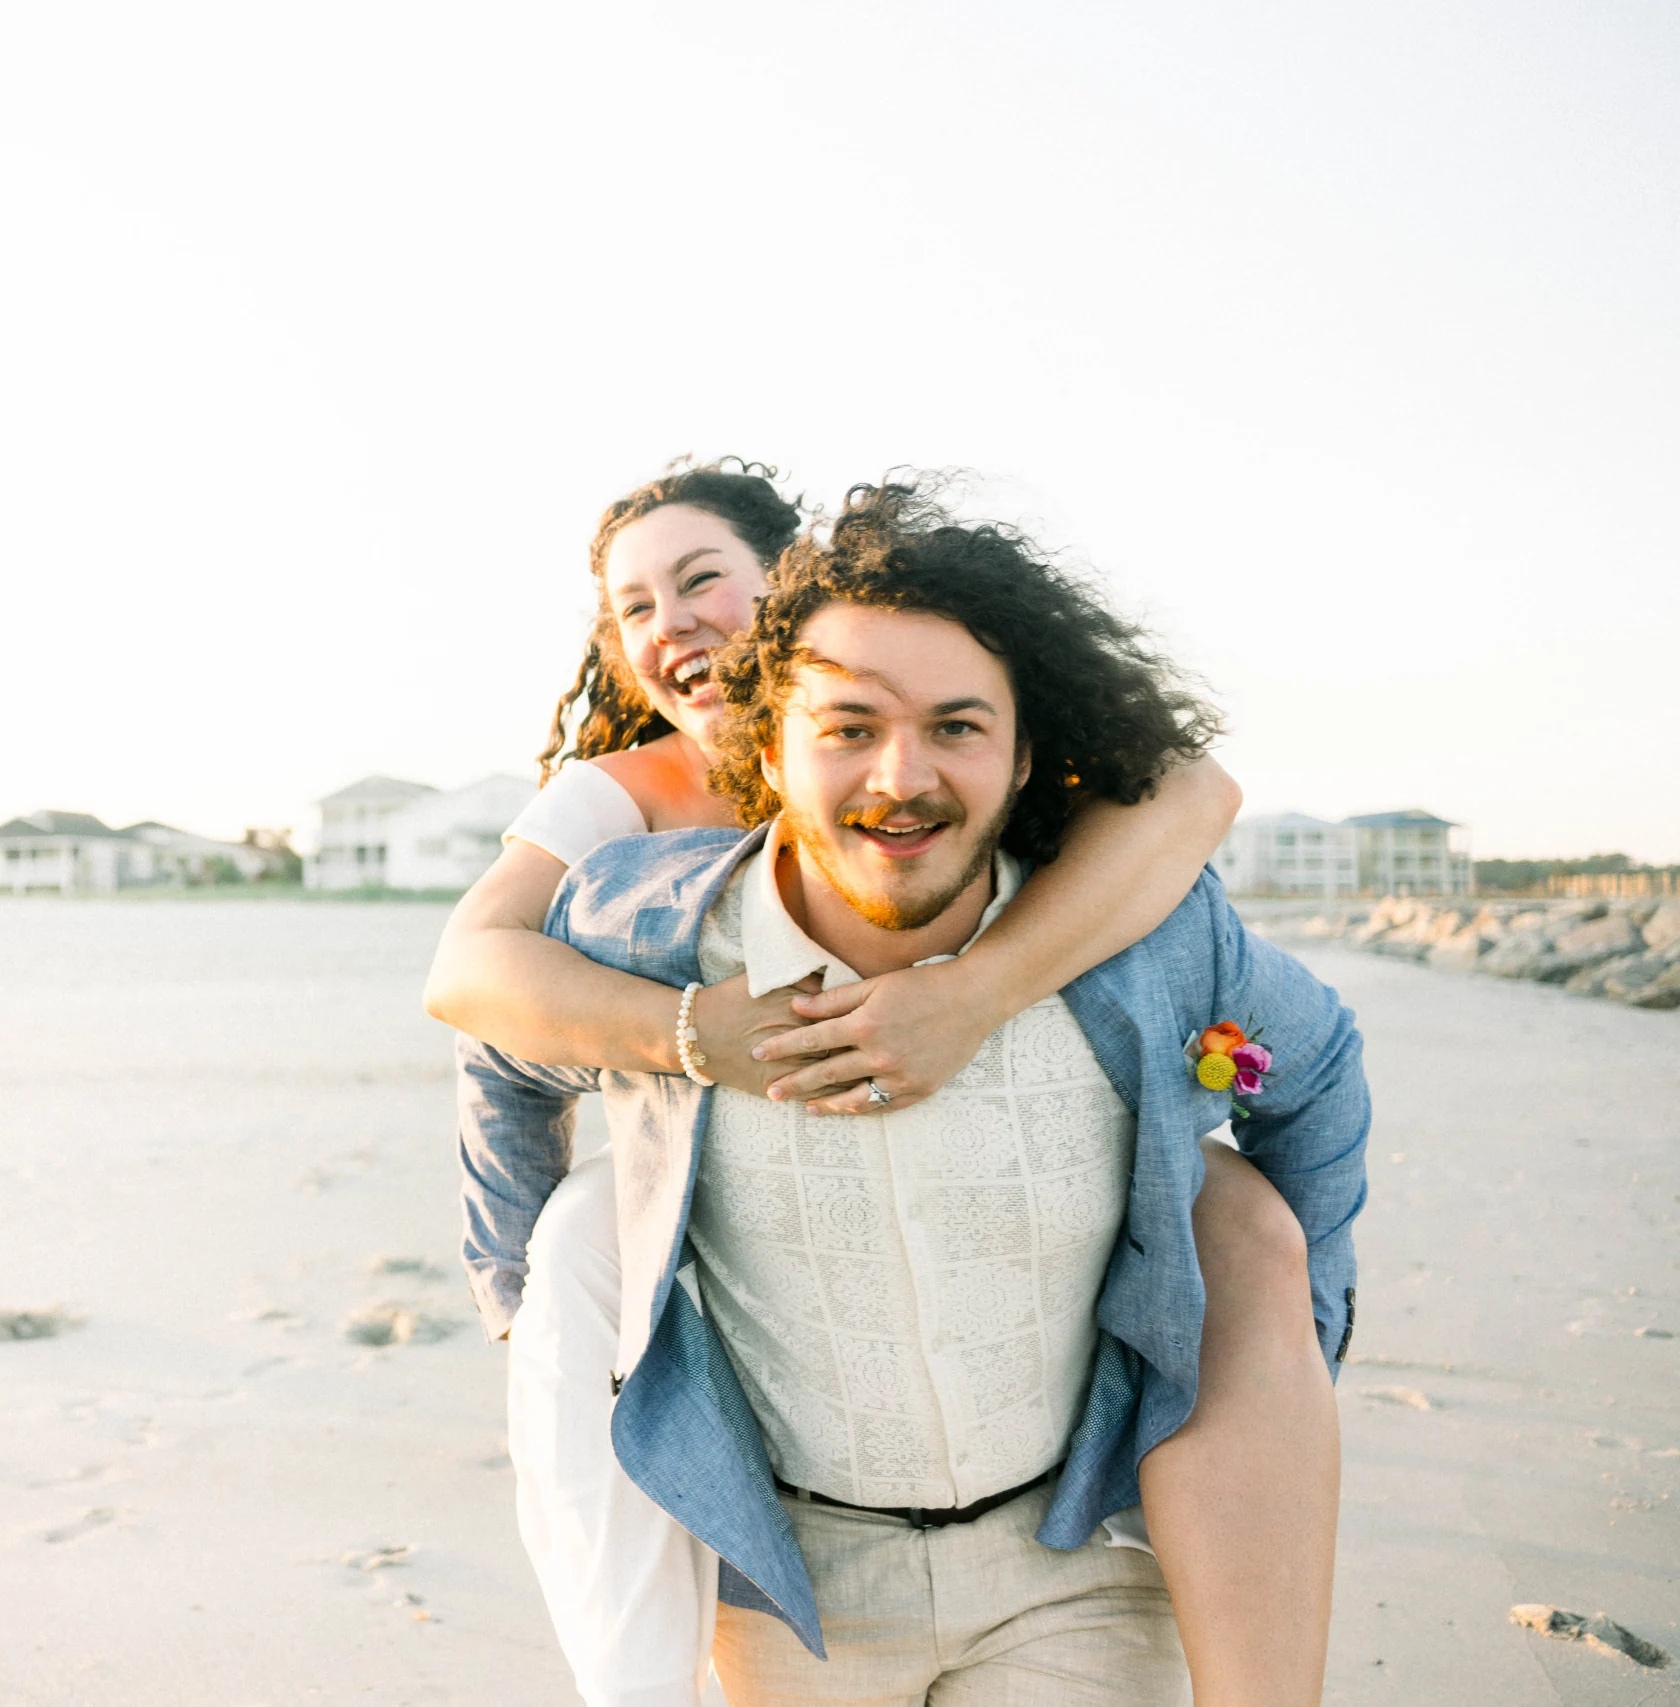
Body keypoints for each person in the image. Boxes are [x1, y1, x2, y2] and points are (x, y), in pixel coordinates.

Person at [436, 475, 1359, 1705]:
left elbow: (1313, 1059)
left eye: (956, 730)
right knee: (583, 1228)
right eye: (850, 727)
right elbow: (486, 1022)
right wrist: (539, 1293)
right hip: (799, 1580)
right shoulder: (634, 910)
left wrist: (1284, 1348)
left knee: (1238, 1216)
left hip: (1069, 1559)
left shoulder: (1140, 929)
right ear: (770, 737)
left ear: (1033, 753)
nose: (901, 774)